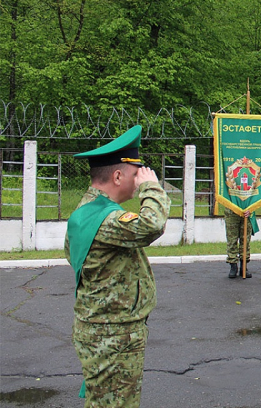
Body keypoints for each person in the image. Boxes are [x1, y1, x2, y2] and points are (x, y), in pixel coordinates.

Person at [65, 125, 170, 407]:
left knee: (105, 402)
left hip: (106, 330)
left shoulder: (86, 212)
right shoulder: (105, 218)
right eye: (136, 174)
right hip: (113, 334)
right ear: (117, 175)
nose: (138, 181)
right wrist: (152, 187)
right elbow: (152, 225)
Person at [224, 207, 254, 278]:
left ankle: (244, 267)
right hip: (231, 211)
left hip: (247, 212)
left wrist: (251, 209)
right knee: (232, 241)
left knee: (245, 242)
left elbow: (254, 197)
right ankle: (233, 266)